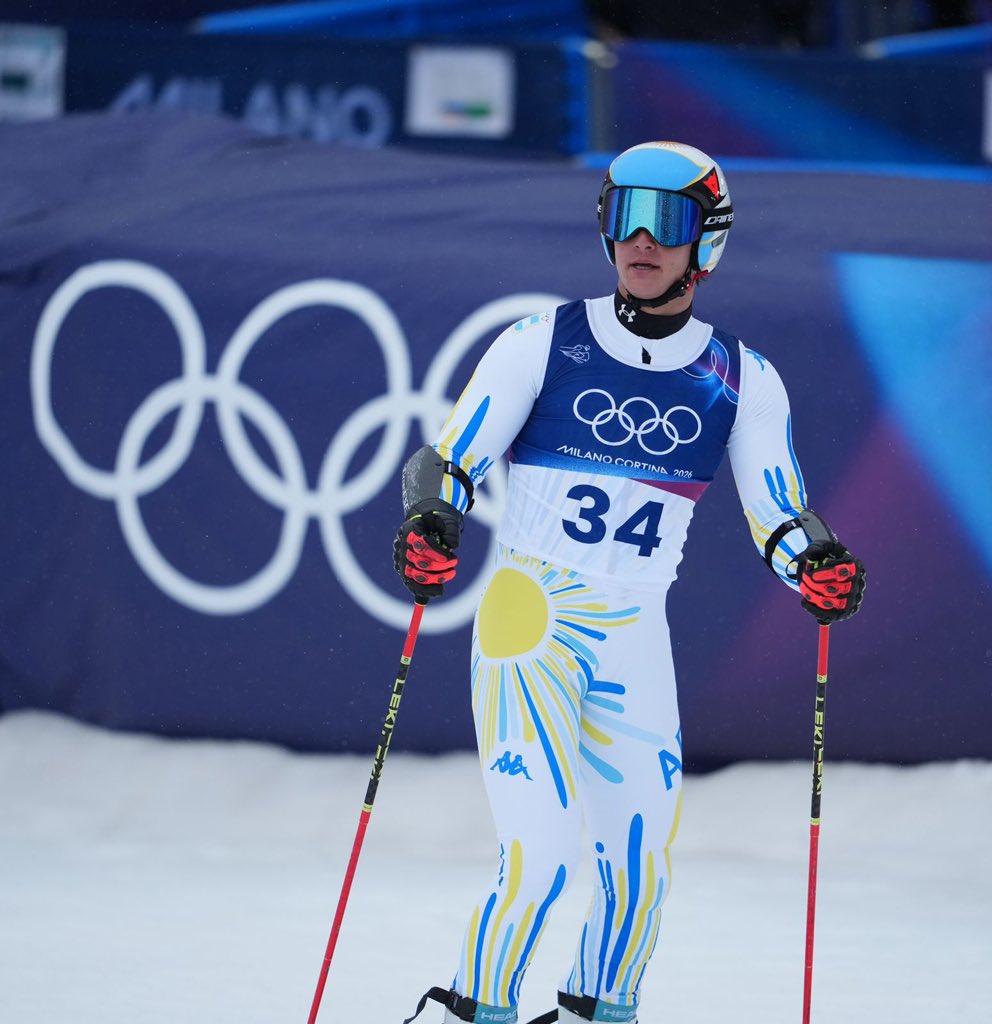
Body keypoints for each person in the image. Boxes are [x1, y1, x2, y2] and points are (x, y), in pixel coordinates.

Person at [393, 141, 866, 1024]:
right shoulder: (544, 341)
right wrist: (432, 520)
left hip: (634, 630)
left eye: (669, 222)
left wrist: (818, 565)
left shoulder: (741, 379)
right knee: (543, 861)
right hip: (528, 617)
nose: (641, 241)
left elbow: (781, 515)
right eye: (624, 217)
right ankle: (471, 1014)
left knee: (641, 864)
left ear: (708, 244)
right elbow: (448, 460)